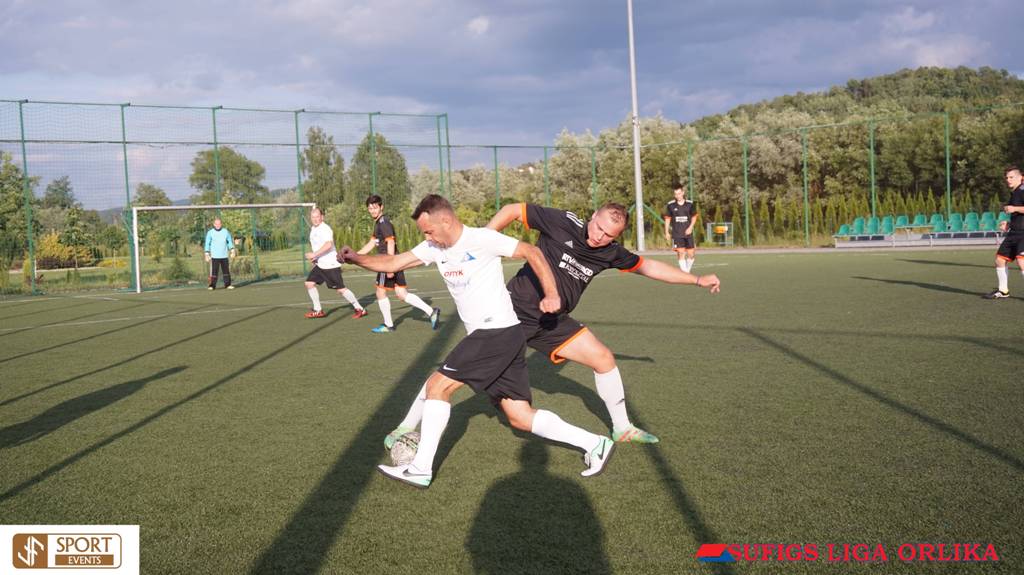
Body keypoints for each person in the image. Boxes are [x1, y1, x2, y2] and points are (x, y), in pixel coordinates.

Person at [384, 201, 720, 448]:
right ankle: (405, 427)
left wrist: (696, 279)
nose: (599, 236)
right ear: (592, 216)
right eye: (598, 227)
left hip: (552, 321)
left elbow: (648, 267)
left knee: (603, 358)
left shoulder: (611, 252)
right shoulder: (563, 222)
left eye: (609, 235)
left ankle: (622, 429)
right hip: (511, 315)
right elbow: (515, 210)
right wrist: (485, 238)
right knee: (452, 375)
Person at [339, 194, 615, 489]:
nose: (427, 237)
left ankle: (420, 468)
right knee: (520, 417)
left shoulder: (482, 239)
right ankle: (595, 443)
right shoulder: (434, 247)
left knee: (437, 387)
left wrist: (552, 294)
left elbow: (532, 251)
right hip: (504, 336)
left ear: (446, 221)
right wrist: (356, 258)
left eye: (429, 230)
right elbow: (394, 261)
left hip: (495, 332)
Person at [355, 195, 441, 333]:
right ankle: (432, 312)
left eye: (375, 207)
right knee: (401, 293)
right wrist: (355, 256)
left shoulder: (383, 222)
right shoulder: (379, 223)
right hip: (395, 261)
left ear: (381, 207)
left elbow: (390, 242)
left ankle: (388, 325)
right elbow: (372, 243)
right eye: (370, 208)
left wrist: (390, 266)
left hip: (387, 262)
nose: (372, 210)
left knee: (380, 292)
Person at [303, 207, 367, 319]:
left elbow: (328, 244)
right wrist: (316, 258)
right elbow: (319, 245)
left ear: (322, 217)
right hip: (321, 265)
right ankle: (318, 310)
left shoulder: (325, 229)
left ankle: (360, 309)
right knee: (309, 283)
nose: (315, 219)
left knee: (340, 289)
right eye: (313, 217)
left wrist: (314, 254)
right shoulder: (313, 228)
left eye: (317, 217)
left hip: (330, 265)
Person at [985, 166, 1024, 298]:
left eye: (1011, 177)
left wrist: (1015, 208)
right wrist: (1008, 224)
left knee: (1022, 262)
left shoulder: (1022, 190)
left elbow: (1017, 210)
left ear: (1020, 177)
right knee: (1000, 259)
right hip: (1014, 232)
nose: (1008, 180)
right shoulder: (1015, 193)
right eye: (1007, 177)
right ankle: (1003, 291)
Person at [664, 182, 699, 272]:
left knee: (691, 254)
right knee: (681, 253)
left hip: (688, 233)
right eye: (676, 194)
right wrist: (667, 232)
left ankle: (687, 271)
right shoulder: (671, 205)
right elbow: (667, 219)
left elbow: (694, 217)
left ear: (683, 193)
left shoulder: (690, 204)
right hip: (677, 234)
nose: (678, 196)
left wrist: (690, 227)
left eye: (679, 193)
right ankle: (685, 273)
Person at [204, 218, 236, 290]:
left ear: (221, 224)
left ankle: (228, 284)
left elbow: (229, 241)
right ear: (214, 224)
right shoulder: (210, 233)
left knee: (226, 271)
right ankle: (212, 285)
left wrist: (232, 250)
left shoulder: (225, 231)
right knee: (214, 272)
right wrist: (206, 253)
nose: (218, 225)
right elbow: (207, 243)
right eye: (216, 224)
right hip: (215, 256)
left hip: (224, 255)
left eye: (219, 224)